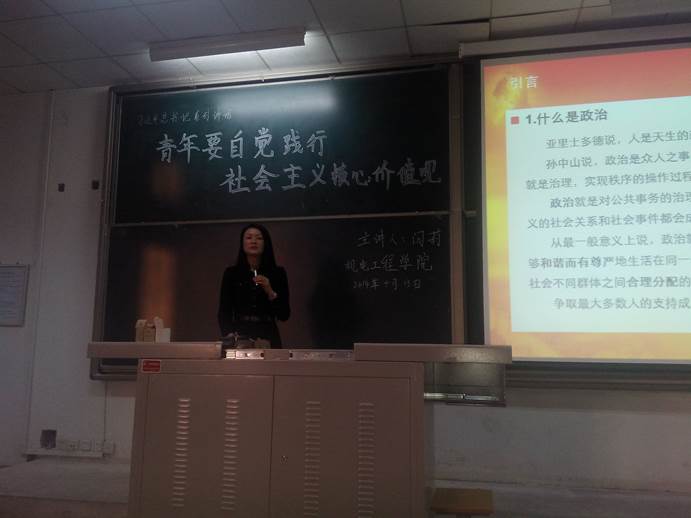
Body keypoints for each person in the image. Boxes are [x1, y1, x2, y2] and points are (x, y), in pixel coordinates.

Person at [217, 223, 290, 348]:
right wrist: (229, 334)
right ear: (242, 243)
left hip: (268, 334)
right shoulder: (231, 273)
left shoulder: (278, 273)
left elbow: (284, 315)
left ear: (265, 243)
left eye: (259, 238)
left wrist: (270, 291)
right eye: (249, 237)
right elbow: (224, 311)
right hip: (240, 334)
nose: (253, 241)